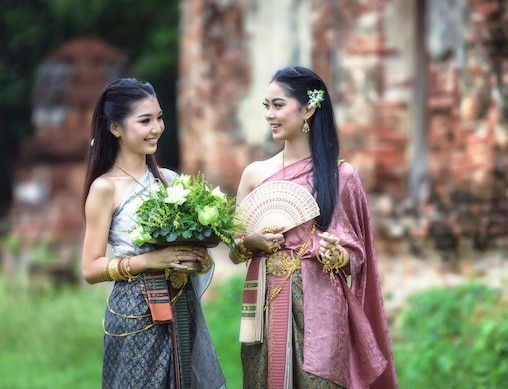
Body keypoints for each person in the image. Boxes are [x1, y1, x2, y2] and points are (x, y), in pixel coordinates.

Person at [229, 66, 398, 388]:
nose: (270, 115)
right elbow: (236, 250)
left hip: (321, 303)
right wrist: (252, 241)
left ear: (308, 108)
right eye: (266, 106)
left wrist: (333, 252)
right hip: (265, 299)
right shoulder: (254, 173)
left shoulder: (341, 175)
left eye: (278, 105)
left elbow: (357, 254)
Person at [81, 78, 226, 389]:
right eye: (144, 120)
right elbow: (90, 268)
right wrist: (151, 261)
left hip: (181, 307)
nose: (157, 128)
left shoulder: (171, 183)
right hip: (135, 312)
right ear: (115, 128)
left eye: (159, 117)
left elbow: (199, 258)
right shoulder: (105, 188)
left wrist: (198, 260)